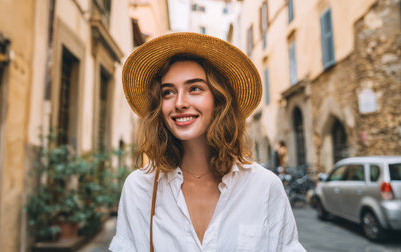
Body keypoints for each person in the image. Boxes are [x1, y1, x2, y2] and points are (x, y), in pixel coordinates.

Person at [109, 32, 305, 251]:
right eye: (168, 92)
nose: (180, 102)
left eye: (195, 88)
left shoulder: (264, 186)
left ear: (218, 99)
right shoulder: (139, 188)